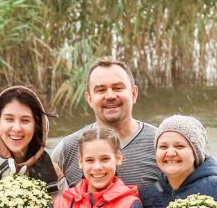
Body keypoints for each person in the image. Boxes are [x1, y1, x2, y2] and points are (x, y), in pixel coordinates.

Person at [50, 59, 159, 187]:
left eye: (118, 88)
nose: (110, 96)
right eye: (100, 90)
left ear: (134, 93)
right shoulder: (67, 149)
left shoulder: (160, 144)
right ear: (89, 99)